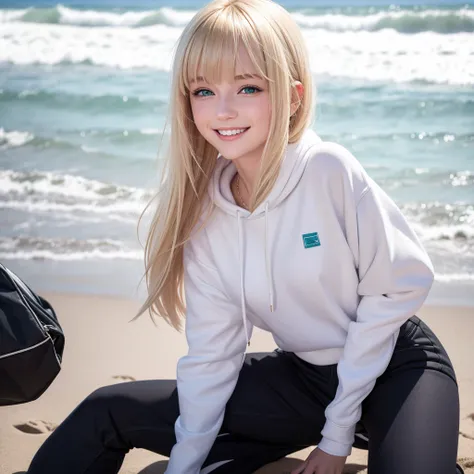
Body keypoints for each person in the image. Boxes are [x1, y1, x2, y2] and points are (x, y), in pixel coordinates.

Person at [27, 0, 464, 473]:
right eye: (203, 91)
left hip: (397, 366)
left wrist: (336, 438)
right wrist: (184, 467)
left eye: (248, 86)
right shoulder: (204, 212)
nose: (224, 109)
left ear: (293, 96)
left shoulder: (327, 169)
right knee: (105, 410)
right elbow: (214, 355)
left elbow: (401, 284)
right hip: (303, 380)